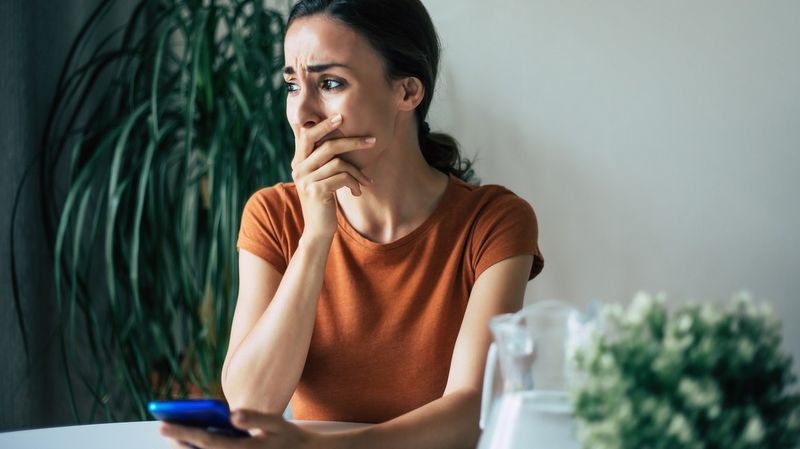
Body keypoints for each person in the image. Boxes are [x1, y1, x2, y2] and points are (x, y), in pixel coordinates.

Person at [160, 0, 543, 448]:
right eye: (291, 85)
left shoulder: (492, 222)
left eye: (330, 83)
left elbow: (473, 409)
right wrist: (317, 236)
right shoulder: (274, 215)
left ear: (407, 93)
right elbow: (250, 401)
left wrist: (319, 448)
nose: (302, 113)